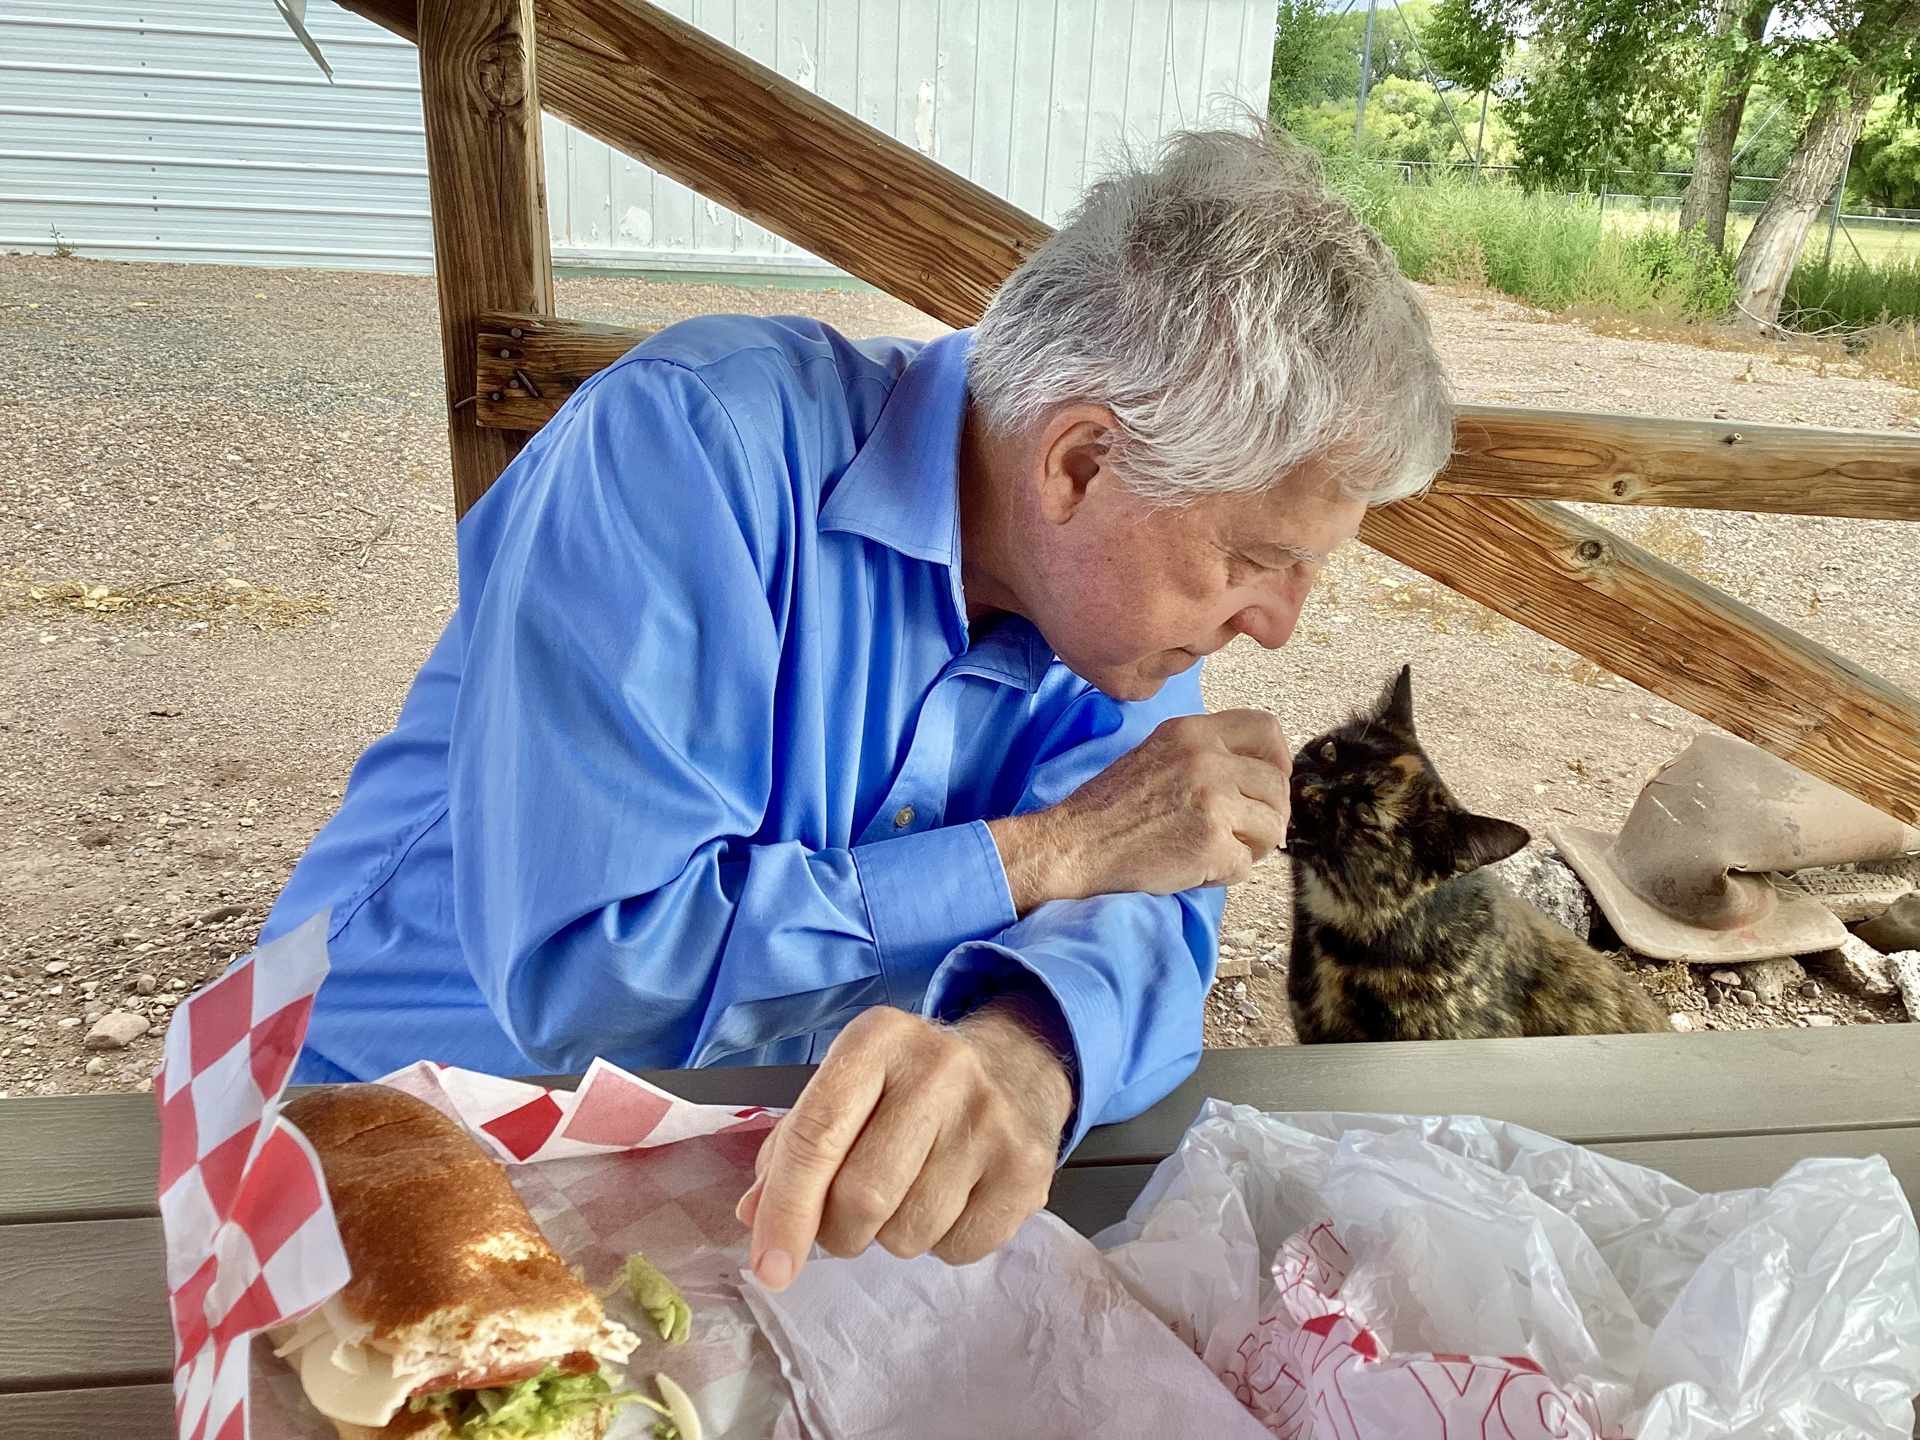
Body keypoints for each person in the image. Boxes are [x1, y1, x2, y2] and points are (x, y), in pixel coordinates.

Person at [260, 127, 1452, 1292]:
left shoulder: (1112, 615)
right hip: (364, 1142)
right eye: (1255, 557)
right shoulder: (691, 449)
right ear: (1080, 464)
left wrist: (1026, 1049)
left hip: (735, 1177)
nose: (1278, 623)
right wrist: (1054, 849)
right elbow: (592, 983)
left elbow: (1151, 902)